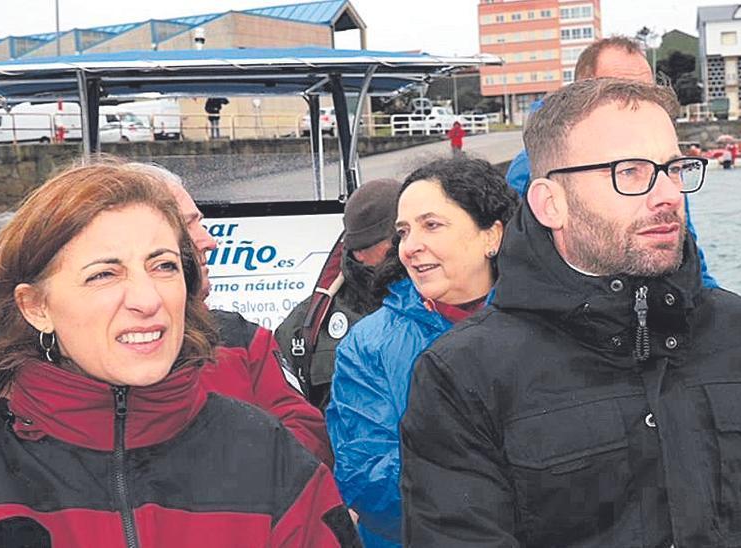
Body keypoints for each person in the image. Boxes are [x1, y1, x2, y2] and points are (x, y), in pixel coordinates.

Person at [400, 79, 741, 547]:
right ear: (551, 204)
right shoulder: (462, 376)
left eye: (674, 169)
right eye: (630, 171)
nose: (669, 194)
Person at [0, 162, 359, 547]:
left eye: (162, 266)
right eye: (104, 273)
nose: (147, 298)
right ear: (36, 306)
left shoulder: (269, 456)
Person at [326, 157, 517, 548]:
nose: (411, 246)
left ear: (491, 236)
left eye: (431, 225)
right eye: (403, 231)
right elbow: (367, 482)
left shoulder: (547, 324)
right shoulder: (368, 347)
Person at [133, 163, 334, 464]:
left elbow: (307, 438)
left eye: (200, 222)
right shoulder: (89, 357)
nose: (210, 241)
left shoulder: (242, 339)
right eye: (188, 226)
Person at [503, 36, 719, 289]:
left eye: (648, 90)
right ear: (582, 90)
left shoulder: (663, 171)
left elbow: (690, 258)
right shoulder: (529, 171)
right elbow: (510, 268)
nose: (639, 101)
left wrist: (713, 313)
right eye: (621, 90)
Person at [275, 178, 402, 410]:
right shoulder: (307, 323)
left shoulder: (444, 298)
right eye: (397, 236)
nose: (360, 255)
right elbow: (285, 412)